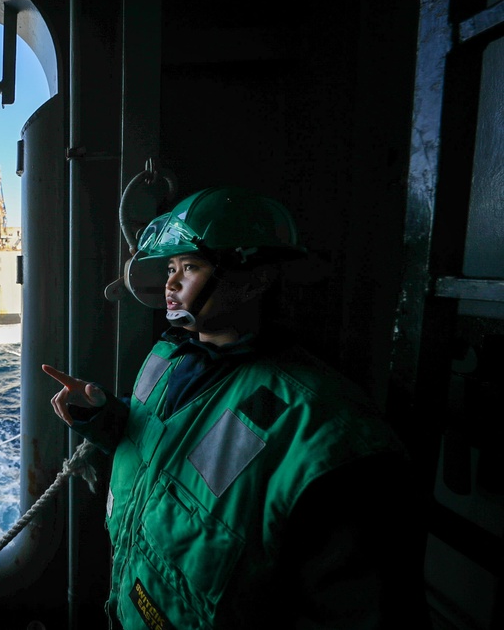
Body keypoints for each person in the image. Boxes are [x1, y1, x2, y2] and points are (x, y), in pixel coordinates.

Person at [43, 186, 432, 629]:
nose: (169, 282)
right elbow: (163, 444)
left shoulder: (326, 431)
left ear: (256, 278)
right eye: (170, 267)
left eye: (189, 266)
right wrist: (105, 416)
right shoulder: (169, 357)